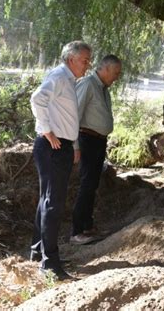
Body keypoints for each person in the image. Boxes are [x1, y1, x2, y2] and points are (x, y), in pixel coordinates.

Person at [30, 41, 92, 280]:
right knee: (52, 205)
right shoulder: (59, 76)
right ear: (71, 59)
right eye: (85, 60)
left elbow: (67, 116)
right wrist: (48, 133)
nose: (87, 65)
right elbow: (37, 99)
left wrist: (73, 145)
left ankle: (38, 252)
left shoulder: (68, 80)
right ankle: (49, 264)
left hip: (61, 146)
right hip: (52, 147)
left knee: (47, 201)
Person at [70, 54, 122, 245]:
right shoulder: (87, 84)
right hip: (87, 139)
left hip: (98, 141)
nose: (117, 76)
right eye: (116, 72)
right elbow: (74, 114)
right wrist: (75, 146)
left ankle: (87, 226)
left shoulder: (103, 88)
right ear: (105, 68)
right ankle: (76, 231)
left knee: (92, 184)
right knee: (86, 184)